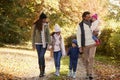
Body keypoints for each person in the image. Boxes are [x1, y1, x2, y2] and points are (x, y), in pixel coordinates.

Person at [76, 11, 96, 79]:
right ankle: (87, 72)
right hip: (85, 45)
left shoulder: (93, 23)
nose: (89, 18)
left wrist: (97, 33)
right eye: (88, 17)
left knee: (91, 57)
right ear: (84, 17)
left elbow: (98, 29)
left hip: (93, 43)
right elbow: (78, 36)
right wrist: (80, 46)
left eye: (90, 16)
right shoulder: (80, 25)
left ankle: (90, 73)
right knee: (86, 60)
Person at [32, 12, 51, 77]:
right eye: (45, 19)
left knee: (41, 56)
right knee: (40, 57)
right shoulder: (35, 25)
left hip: (44, 43)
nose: (46, 20)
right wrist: (33, 44)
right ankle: (41, 71)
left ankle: (43, 70)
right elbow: (33, 35)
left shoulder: (46, 25)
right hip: (37, 43)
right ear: (42, 19)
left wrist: (49, 43)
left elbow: (48, 34)